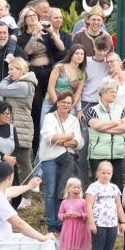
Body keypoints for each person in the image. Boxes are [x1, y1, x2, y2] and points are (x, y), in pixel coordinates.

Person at [38, 91, 83, 233]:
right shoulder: (49, 117)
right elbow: (49, 137)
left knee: (63, 190)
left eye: (69, 103)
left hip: (67, 158)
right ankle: (52, 223)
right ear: (57, 102)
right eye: (63, 102)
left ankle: (61, 221)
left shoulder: (74, 120)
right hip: (50, 158)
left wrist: (65, 141)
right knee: (51, 190)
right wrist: (68, 137)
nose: (66, 105)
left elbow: (79, 142)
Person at [0, 162, 53, 242]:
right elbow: (19, 224)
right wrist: (43, 237)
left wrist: (29, 186)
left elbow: (10, 191)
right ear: (9, 177)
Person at [15, 6, 59, 140]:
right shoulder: (22, 37)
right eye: (30, 16)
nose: (33, 18)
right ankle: (36, 144)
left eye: (35, 16)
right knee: (36, 107)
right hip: (34, 73)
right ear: (24, 20)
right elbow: (25, 52)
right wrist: (34, 34)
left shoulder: (45, 34)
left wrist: (52, 32)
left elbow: (60, 48)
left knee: (52, 104)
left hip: (49, 71)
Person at [0, 57, 38, 185]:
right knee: (9, 160)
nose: (9, 72)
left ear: (20, 70)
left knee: (24, 162)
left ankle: (28, 194)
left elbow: (1, 89)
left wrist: (7, 78)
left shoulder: (23, 85)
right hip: (14, 126)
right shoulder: (20, 83)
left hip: (21, 127)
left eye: (11, 69)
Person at [85, 79, 125, 189]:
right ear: (102, 93)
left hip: (118, 154)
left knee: (119, 188)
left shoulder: (121, 109)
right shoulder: (92, 110)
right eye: (111, 91)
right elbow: (96, 126)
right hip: (98, 156)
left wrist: (104, 128)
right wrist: (115, 123)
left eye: (115, 92)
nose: (114, 94)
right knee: (100, 188)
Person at [86, 161, 125, 250]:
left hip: (112, 224)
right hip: (99, 224)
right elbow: (89, 206)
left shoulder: (114, 188)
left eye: (108, 173)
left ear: (112, 174)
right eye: (103, 173)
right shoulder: (93, 187)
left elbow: (119, 205)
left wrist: (122, 222)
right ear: (98, 172)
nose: (106, 175)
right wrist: (91, 223)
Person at [43, 44, 86, 116]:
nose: (79, 56)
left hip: (68, 106)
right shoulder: (59, 67)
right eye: (77, 53)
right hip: (51, 103)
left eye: (82, 54)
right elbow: (50, 88)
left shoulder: (82, 74)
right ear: (71, 55)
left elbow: (78, 94)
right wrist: (57, 105)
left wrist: (69, 107)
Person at [58, 178, 90, 250]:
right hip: (69, 230)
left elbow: (88, 215)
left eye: (78, 187)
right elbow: (60, 215)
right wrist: (65, 216)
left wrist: (81, 215)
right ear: (68, 189)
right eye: (74, 187)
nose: (77, 189)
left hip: (81, 230)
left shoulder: (83, 202)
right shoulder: (64, 202)